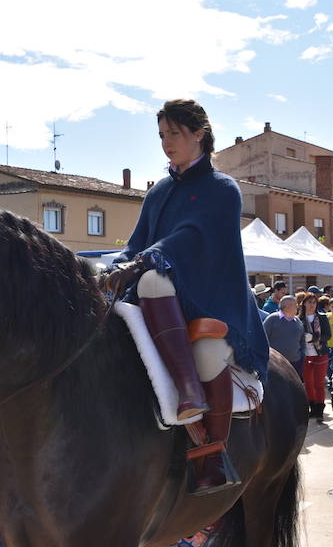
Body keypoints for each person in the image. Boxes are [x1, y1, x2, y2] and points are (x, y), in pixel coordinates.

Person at [102, 99, 268, 495]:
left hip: (211, 298)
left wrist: (144, 261)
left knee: (206, 352)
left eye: (174, 133)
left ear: (199, 134)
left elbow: (191, 238)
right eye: (161, 134)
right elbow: (137, 244)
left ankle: (212, 457)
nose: (166, 142)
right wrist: (110, 268)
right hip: (157, 293)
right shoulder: (157, 193)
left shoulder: (223, 189)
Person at [299, 292, 331, 422]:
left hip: (320, 354)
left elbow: (328, 335)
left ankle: (320, 411)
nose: (312, 305)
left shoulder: (322, 318)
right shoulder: (299, 319)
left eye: (314, 302)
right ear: (304, 303)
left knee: (319, 383)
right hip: (305, 355)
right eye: (309, 302)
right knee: (308, 384)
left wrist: (314, 338)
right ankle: (312, 408)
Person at [263, 296, 304, 376]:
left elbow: (302, 341)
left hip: (295, 363)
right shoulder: (272, 319)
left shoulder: (298, 321)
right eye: (295, 305)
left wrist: (302, 356)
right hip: (276, 363)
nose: (297, 307)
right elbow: (263, 337)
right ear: (287, 306)